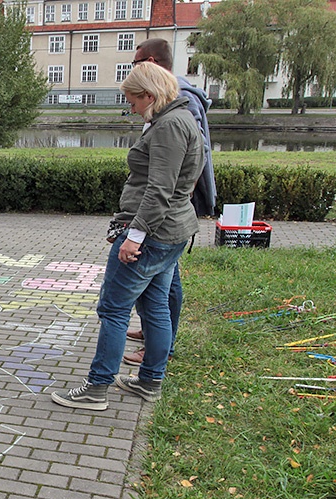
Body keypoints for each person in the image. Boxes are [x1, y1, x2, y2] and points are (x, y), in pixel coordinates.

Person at [51, 62, 203, 411]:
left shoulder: (169, 126)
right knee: (155, 306)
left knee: (114, 309)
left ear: (150, 95)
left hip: (152, 235)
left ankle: (97, 387)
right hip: (171, 233)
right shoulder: (180, 120)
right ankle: (150, 382)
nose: (131, 107)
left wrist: (134, 235)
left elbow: (159, 188)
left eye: (133, 100)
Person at [123, 38, 217, 366]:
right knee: (159, 291)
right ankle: (154, 354)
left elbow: (190, 158)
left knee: (146, 295)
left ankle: (157, 351)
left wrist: (138, 231)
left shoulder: (178, 104)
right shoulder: (166, 105)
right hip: (167, 218)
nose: (132, 107)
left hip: (164, 222)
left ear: (149, 63)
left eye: (136, 64)